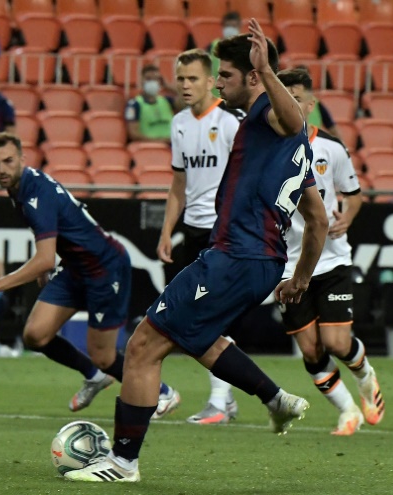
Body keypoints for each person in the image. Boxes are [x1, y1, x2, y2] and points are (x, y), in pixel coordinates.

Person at [64, 19, 329, 483]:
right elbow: (319, 221)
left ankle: (123, 463)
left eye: (225, 75)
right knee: (196, 335)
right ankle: (274, 398)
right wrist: (299, 278)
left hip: (236, 257)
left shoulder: (271, 111)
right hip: (259, 263)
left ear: (252, 76)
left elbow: (292, 119)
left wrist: (267, 73)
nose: (218, 82)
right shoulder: (291, 147)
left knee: (144, 344)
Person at [0, 132, 179, 414]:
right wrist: (46, 260)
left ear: (22, 159)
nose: (2, 169)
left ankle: (164, 393)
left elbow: (44, 260)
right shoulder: (20, 188)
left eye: (8, 161)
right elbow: (53, 239)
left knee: (104, 355)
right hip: (74, 267)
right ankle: (94, 377)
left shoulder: (35, 190)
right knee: (35, 335)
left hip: (104, 267)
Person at [276, 67, 383, 436]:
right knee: (310, 351)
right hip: (287, 264)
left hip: (332, 257)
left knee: (336, 342)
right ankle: (347, 411)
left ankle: (366, 377)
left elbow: (353, 197)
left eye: (297, 98)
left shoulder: (331, 148)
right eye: (284, 97)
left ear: (310, 103)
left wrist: (346, 220)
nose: (291, 104)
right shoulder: (268, 150)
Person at [156, 48, 244, 425]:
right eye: (180, 79)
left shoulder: (230, 122)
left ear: (211, 81)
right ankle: (227, 397)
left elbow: (246, 178)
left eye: (193, 78)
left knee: (208, 313)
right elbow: (179, 183)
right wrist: (166, 231)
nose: (185, 85)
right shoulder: (178, 123)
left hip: (222, 232)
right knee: (192, 315)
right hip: (191, 232)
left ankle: (220, 402)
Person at [125, 65, 177, 144]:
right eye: (148, 79)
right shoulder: (134, 104)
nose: (152, 82)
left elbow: (191, 99)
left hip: (172, 146)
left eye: (156, 79)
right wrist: (160, 142)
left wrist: (168, 86)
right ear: (141, 81)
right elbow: (133, 134)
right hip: (149, 147)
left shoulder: (167, 101)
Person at [206, 11, 242, 97]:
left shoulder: (245, 47)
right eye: (228, 26)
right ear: (223, 27)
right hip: (216, 96)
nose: (230, 29)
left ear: (239, 26)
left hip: (237, 96)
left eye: (233, 26)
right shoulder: (212, 46)